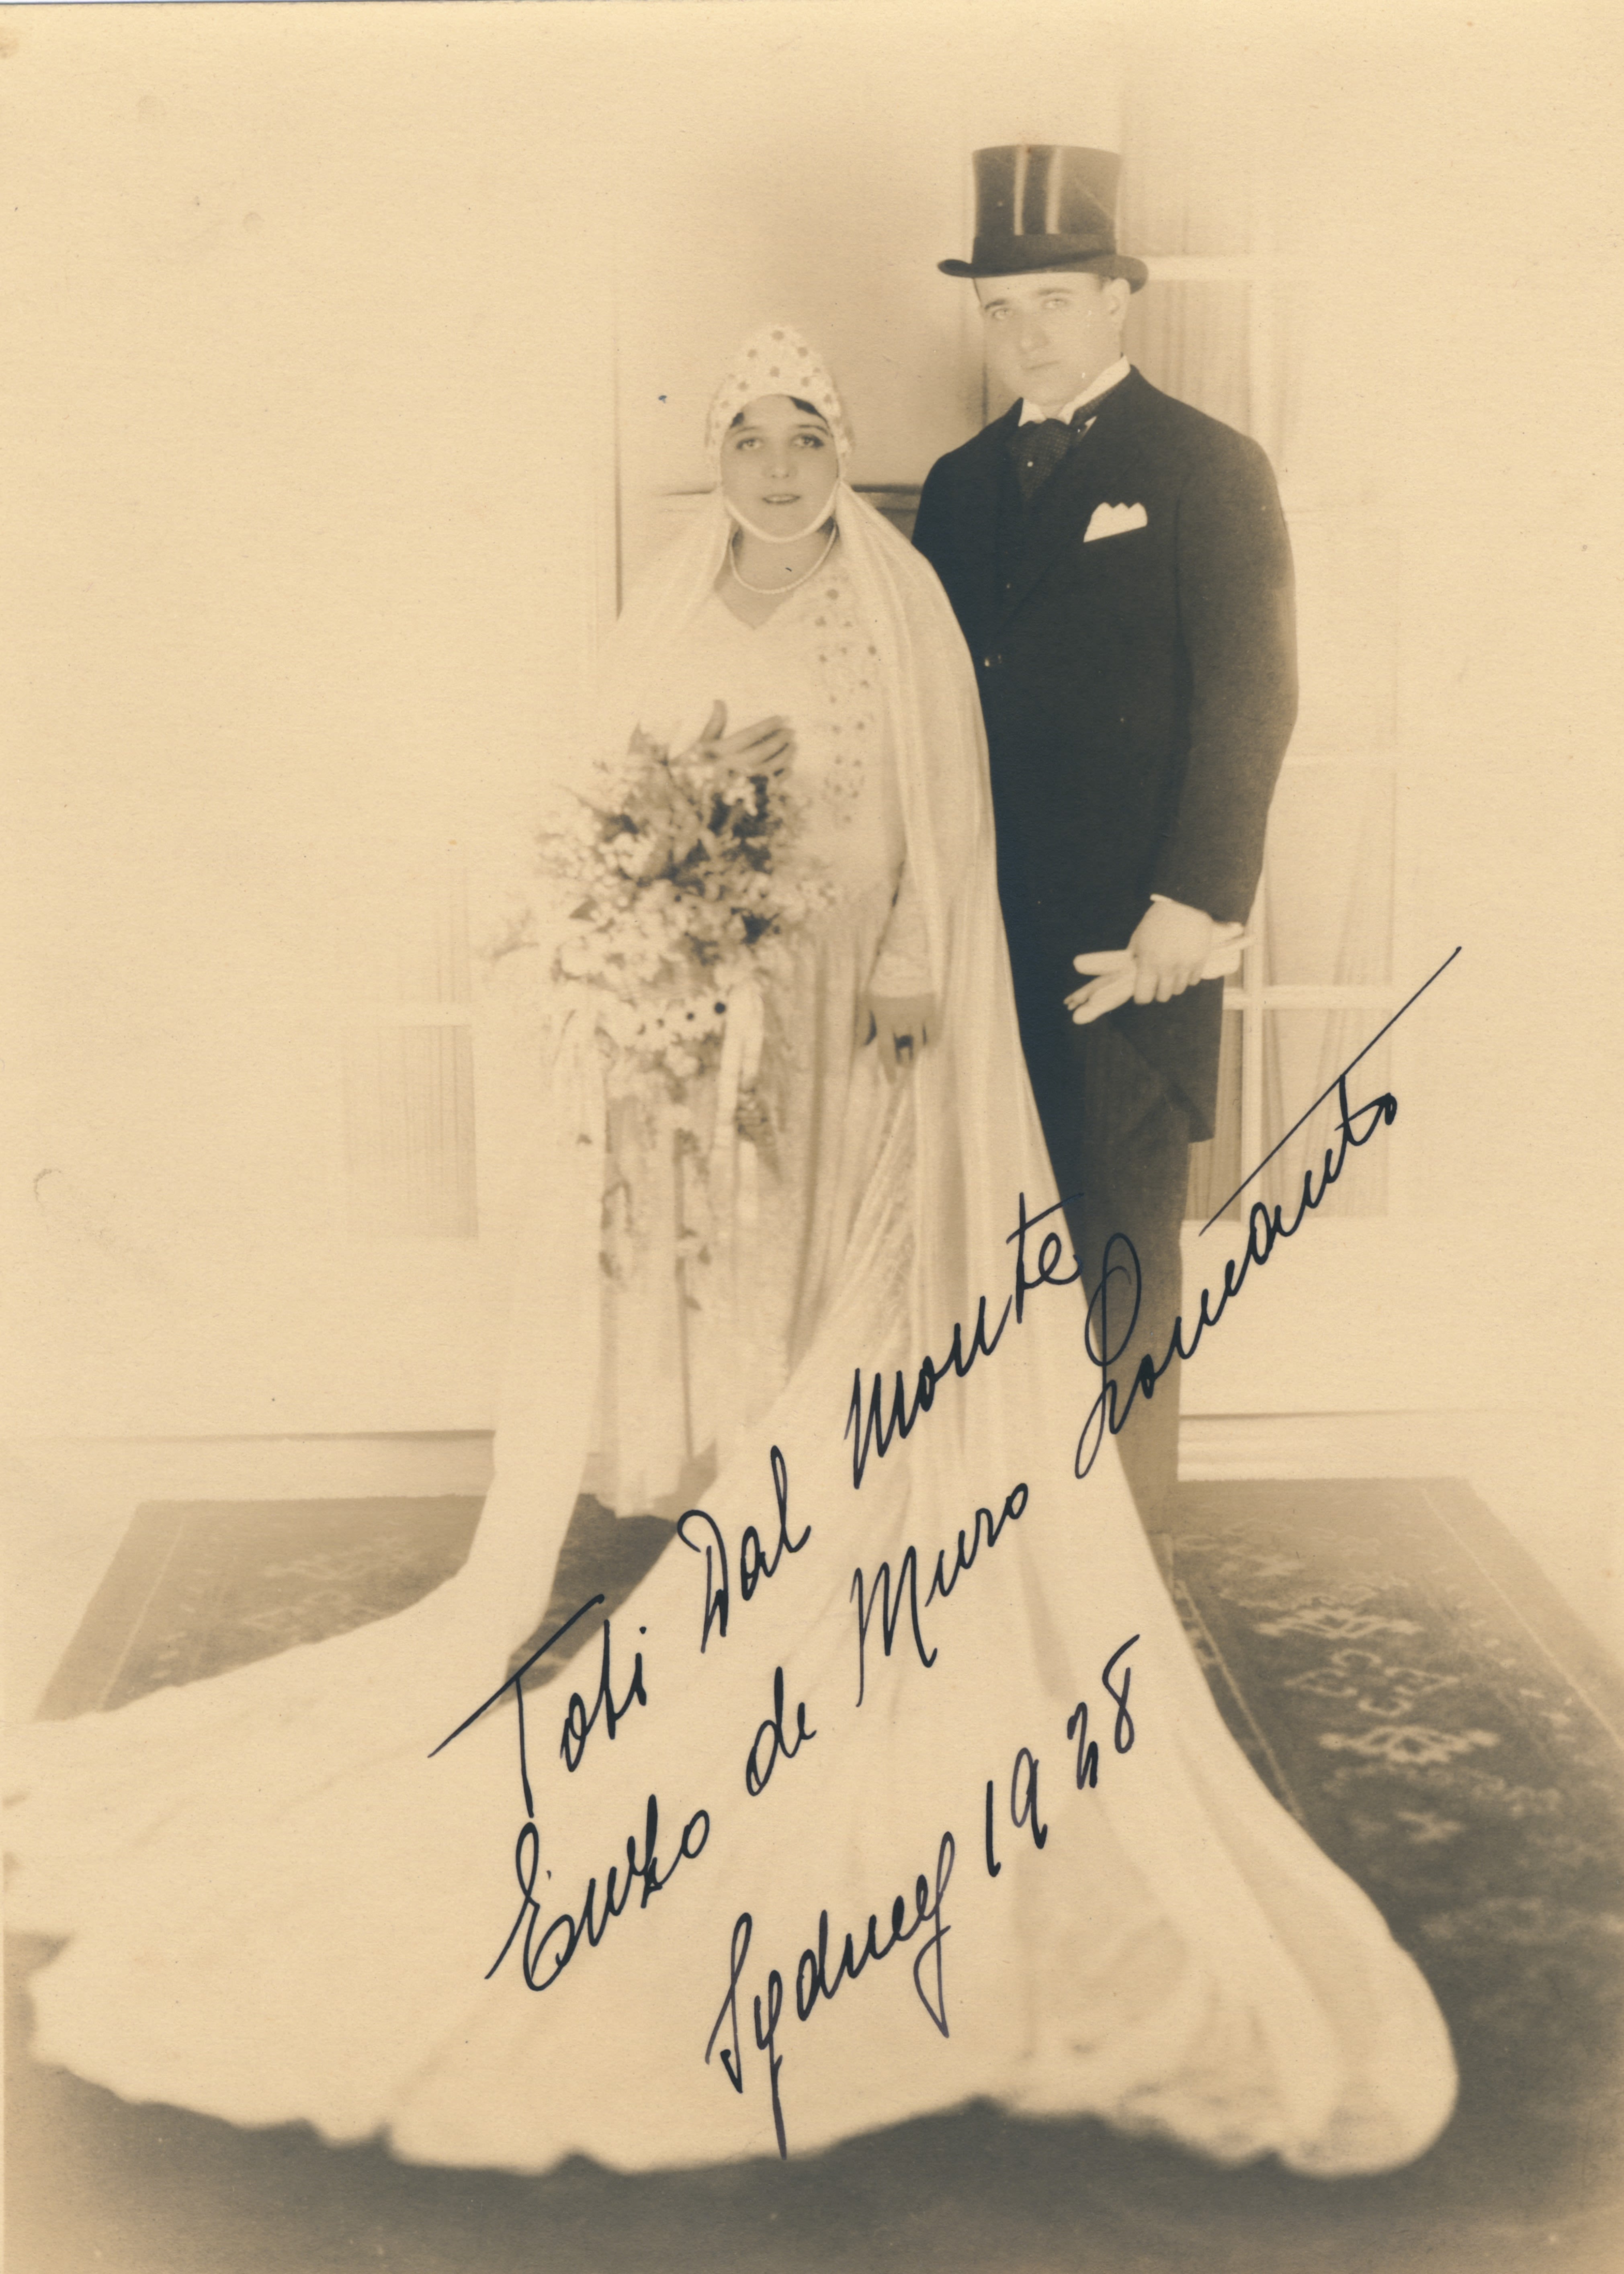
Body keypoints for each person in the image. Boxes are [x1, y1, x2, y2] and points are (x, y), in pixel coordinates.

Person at [4, 331, 1454, 2179]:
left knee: (847, 1247)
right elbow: (601, 782)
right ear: (719, 458)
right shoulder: (674, 588)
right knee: (711, 1248)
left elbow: (943, 806)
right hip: (702, 986)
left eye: (807, 439)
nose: (779, 470)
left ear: (845, 452)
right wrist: (628, 928)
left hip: (860, 993)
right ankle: (723, 1493)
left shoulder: (897, 589)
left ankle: (825, 1508)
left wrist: (921, 953)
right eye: (750, 442)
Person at [913, 145, 1298, 1525]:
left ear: (1117, 302)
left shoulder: (1205, 466)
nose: (1027, 334)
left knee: (1119, 1246)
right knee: (981, 1244)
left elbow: (1254, 697)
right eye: (1000, 309)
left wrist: (1192, 904)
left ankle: (1123, 1558)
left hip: (1133, 937)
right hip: (979, 933)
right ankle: (995, 1553)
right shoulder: (958, 488)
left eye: (1054, 303)